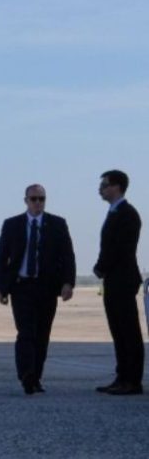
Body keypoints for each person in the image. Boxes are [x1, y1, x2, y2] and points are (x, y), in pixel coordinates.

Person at [0, 184, 76, 395]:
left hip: (47, 287)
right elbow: (2, 258)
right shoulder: (12, 225)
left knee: (42, 335)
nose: (38, 203)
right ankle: (26, 375)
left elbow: (68, 255)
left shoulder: (57, 224)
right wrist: (1, 288)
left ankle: (36, 377)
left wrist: (68, 283)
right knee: (26, 333)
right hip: (21, 287)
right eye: (34, 199)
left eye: (41, 199)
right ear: (26, 201)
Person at [93, 169, 144, 395]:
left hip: (122, 278)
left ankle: (132, 381)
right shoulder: (114, 212)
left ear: (117, 187)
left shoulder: (127, 214)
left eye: (104, 185)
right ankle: (122, 376)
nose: (100, 189)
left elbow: (120, 248)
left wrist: (101, 266)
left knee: (128, 331)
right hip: (114, 279)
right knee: (118, 330)